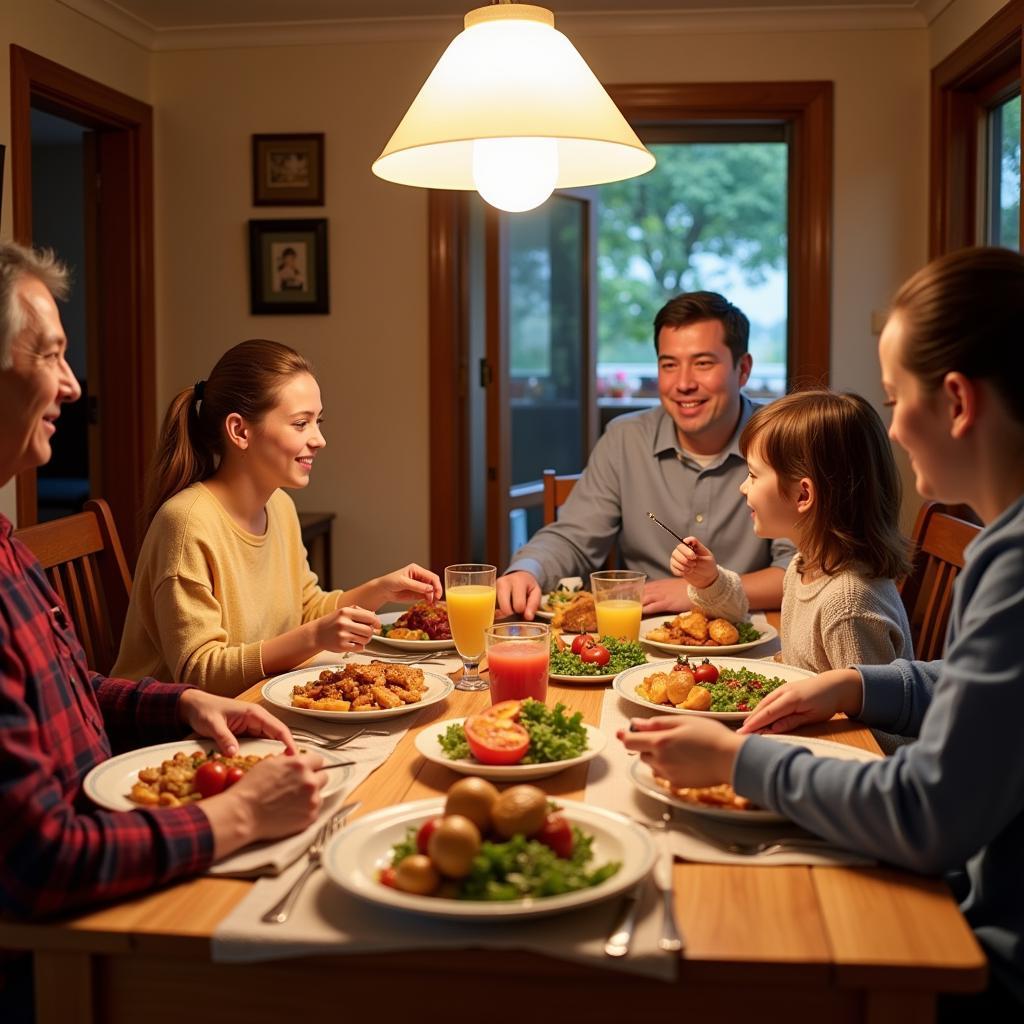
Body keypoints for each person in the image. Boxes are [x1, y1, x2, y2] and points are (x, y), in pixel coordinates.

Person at [621, 247, 1024, 1021]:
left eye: (894, 397)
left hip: (984, 959)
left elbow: (926, 816)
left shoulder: (1014, 566)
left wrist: (741, 761)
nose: (895, 429)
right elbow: (987, 692)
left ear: (956, 402)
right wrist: (868, 683)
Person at [0, 242, 327, 1020]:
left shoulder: (7, 544)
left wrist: (180, 705)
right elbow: (46, 863)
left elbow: (75, 689)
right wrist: (240, 815)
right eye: (50, 355)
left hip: (122, 822)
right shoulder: (190, 520)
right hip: (60, 952)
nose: (74, 386)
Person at [113, 339, 441, 697]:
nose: (319, 440)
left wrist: (380, 590)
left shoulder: (279, 507)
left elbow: (305, 611)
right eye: (301, 424)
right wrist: (315, 636)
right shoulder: (187, 524)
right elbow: (200, 673)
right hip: (173, 734)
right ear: (240, 431)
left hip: (253, 705)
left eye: (318, 422)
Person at [496, 291, 795, 620]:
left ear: (743, 370)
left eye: (703, 363)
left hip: (754, 640)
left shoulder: (780, 442)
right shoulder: (625, 439)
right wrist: (528, 569)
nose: (683, 383)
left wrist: (699, 591)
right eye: (669, 365)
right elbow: (574, 537)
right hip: (642, 639)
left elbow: (796, 572)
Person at [669, 389, 913, 672]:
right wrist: (710, 580)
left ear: (803, 496)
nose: (743, 487)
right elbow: (745, 616)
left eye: (753, 475)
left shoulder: (847, 606)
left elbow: (867, 711)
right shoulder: (805, 565)